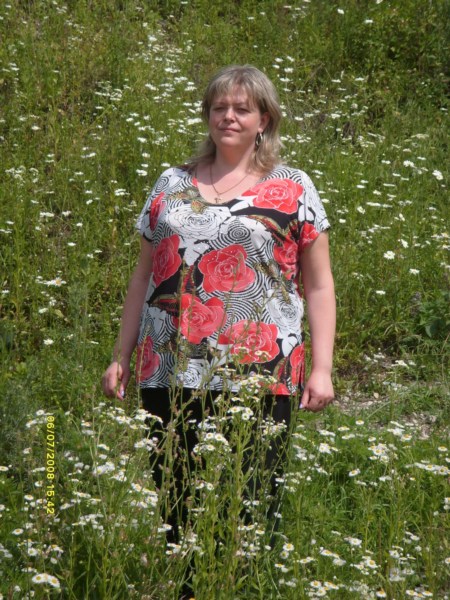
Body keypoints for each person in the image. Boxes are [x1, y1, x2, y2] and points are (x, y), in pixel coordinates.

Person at [101, 64, 335, 547]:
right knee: (177, 508)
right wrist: (121, 355)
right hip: (168, 369)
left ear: (264, 120)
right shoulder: (170, 183)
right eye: (219, 107)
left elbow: (319, 285)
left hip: (261, 372)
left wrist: (322, 369)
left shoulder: (294, 187)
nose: (228, 116)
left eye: (242, 109)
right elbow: (143, 276)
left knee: (251, 510)